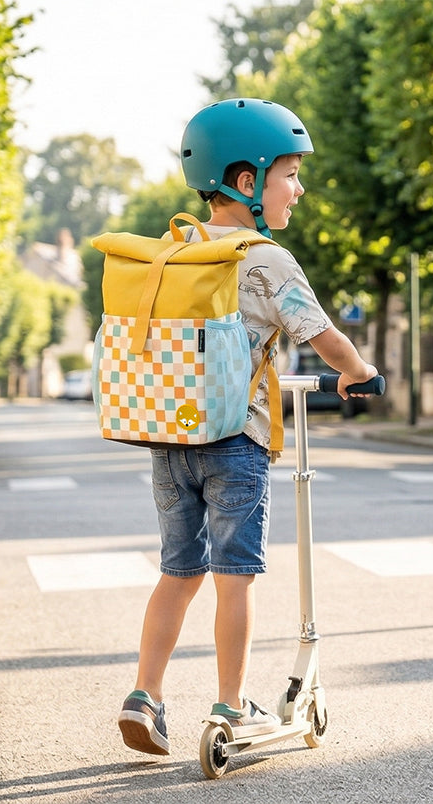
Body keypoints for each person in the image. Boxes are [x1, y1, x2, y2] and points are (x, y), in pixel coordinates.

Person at [117, 98, 377, 756]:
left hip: (170, 439)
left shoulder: (173, 250)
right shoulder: (266, 259)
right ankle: (230, 704)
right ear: (245, 182)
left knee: (178, 571)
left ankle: (145, 694)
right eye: (290, 173)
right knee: (236, 577)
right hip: (236, 444)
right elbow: (323, 337)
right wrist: (358, 370)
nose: (300, 187)